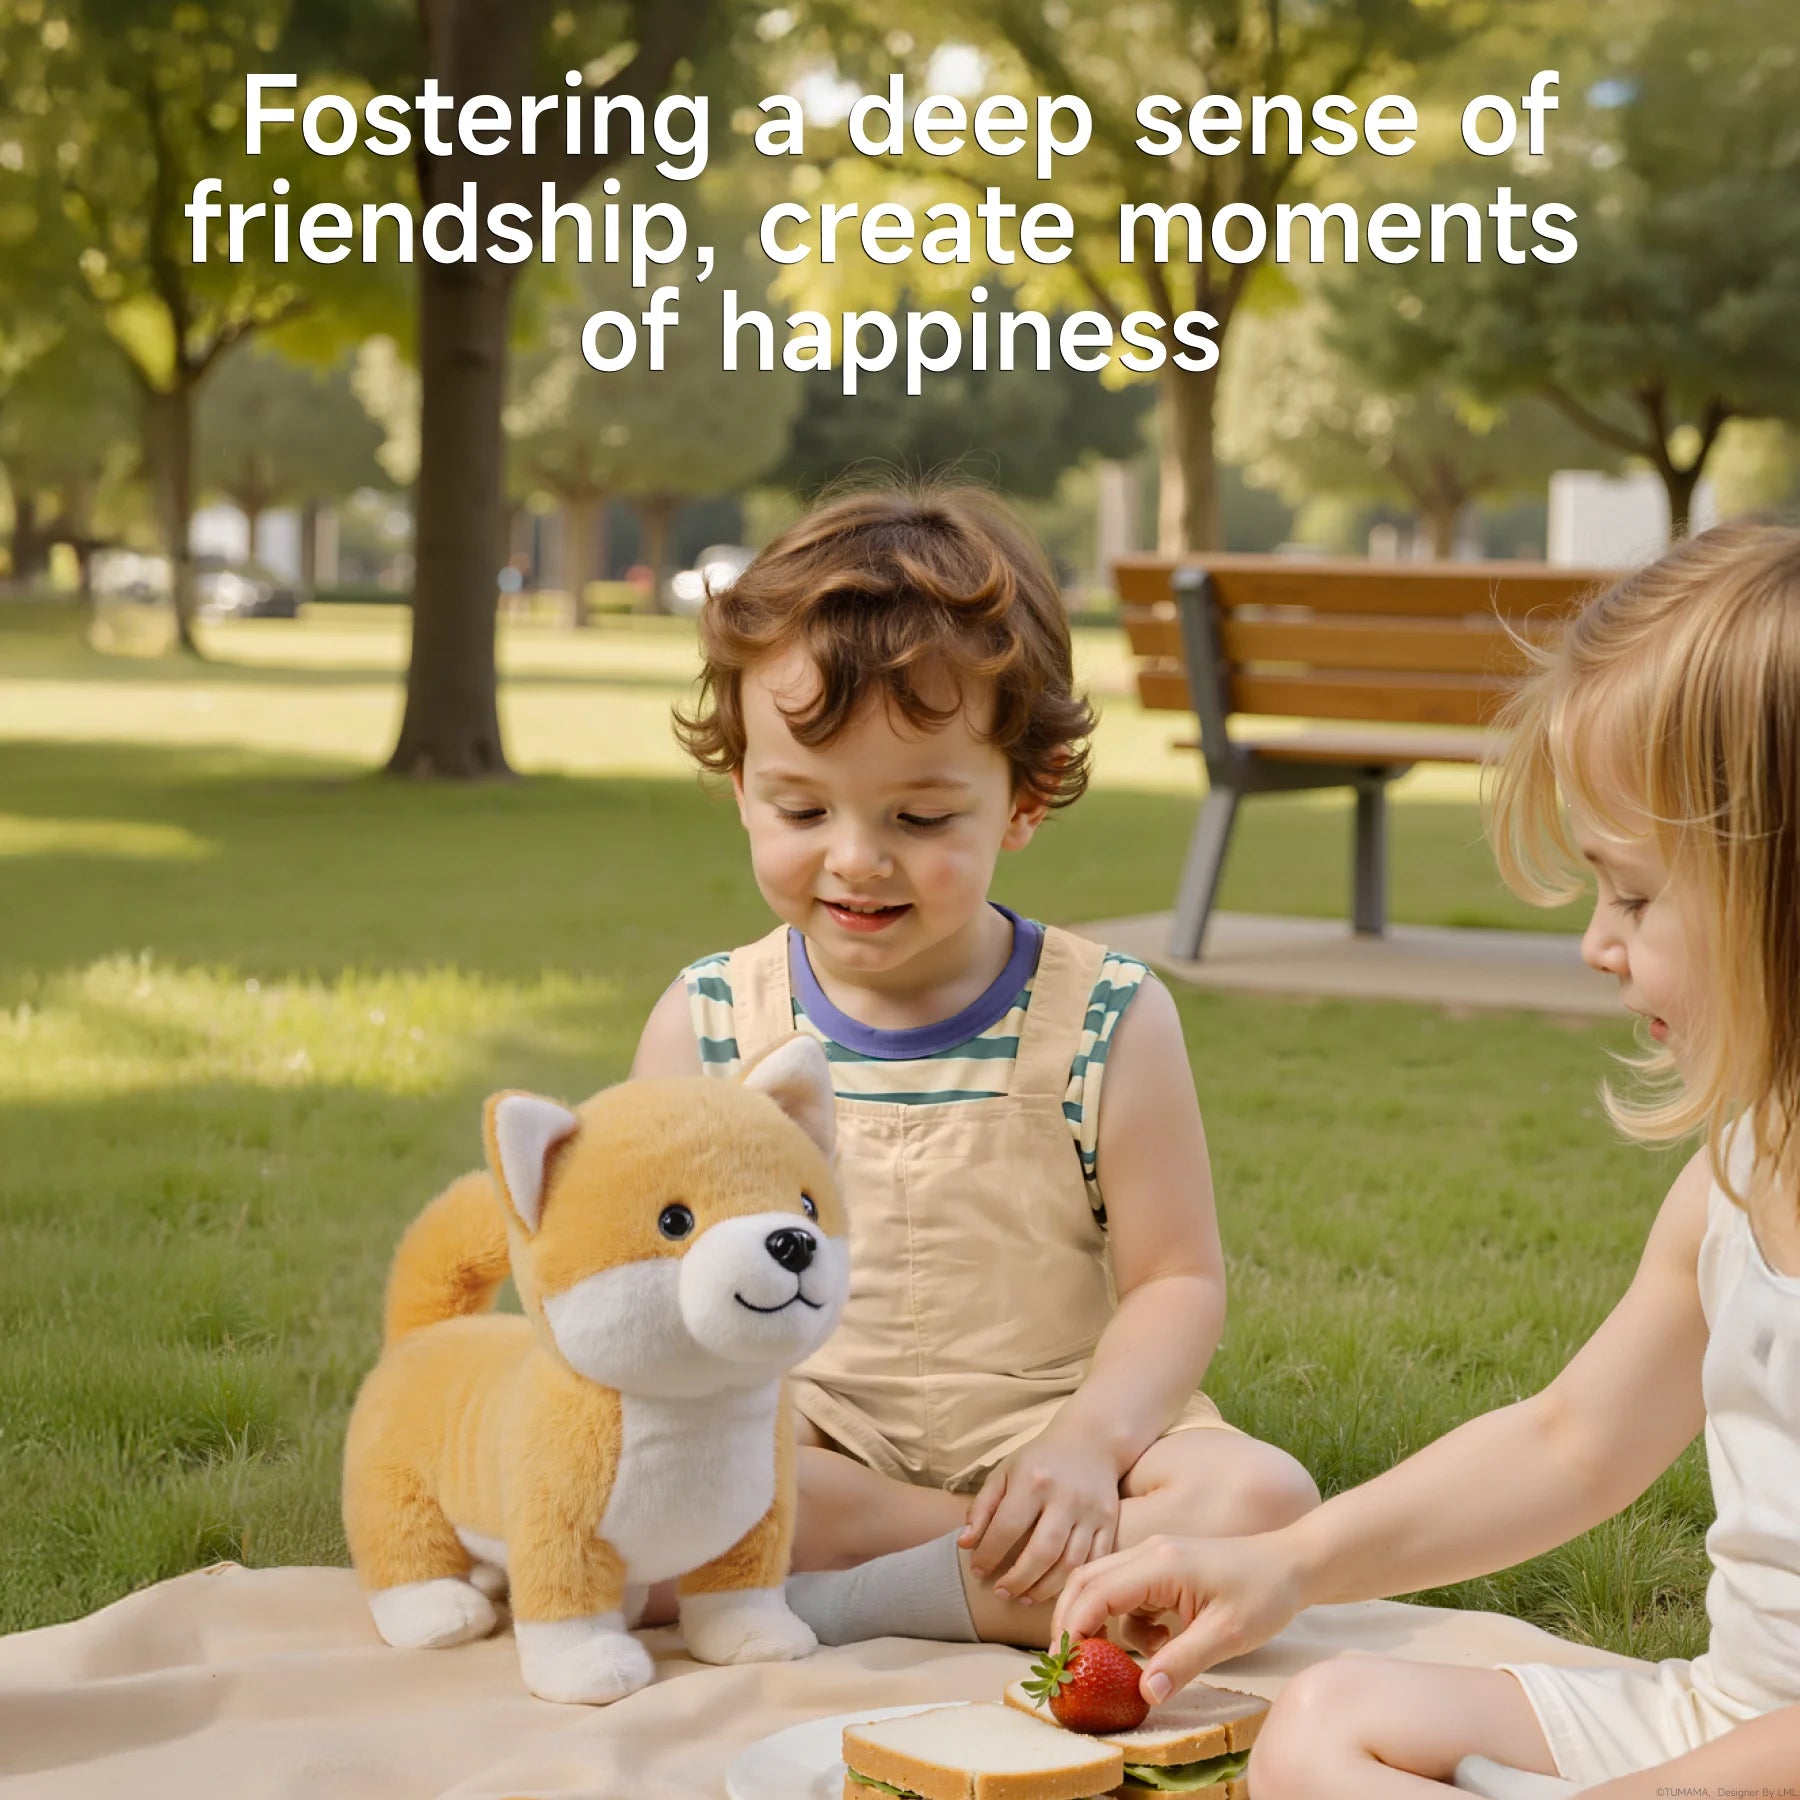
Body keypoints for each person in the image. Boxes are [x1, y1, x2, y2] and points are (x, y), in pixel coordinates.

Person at [1051, 521, 1800, 1794]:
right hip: (1730, 1724)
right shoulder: (1735, 1178)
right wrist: (1286, 1565)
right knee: (1325, 1723)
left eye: (1632, 893)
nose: (1597, 943)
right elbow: (1572, 1442)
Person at [629, 481, 1318, 1649]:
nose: (857, 860)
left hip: (1059, 1429)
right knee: (637, 1486)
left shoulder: (1109, 1017)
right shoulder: (710, 1023)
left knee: (1263, 1505)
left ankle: (853, 1597)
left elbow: (1175, 1281)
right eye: (802, 809)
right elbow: (649, 1290)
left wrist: (1087, 1446)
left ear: (1023, 800)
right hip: (813, 1436)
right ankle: (1010, 1576)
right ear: (742, 785)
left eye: (920, 819)